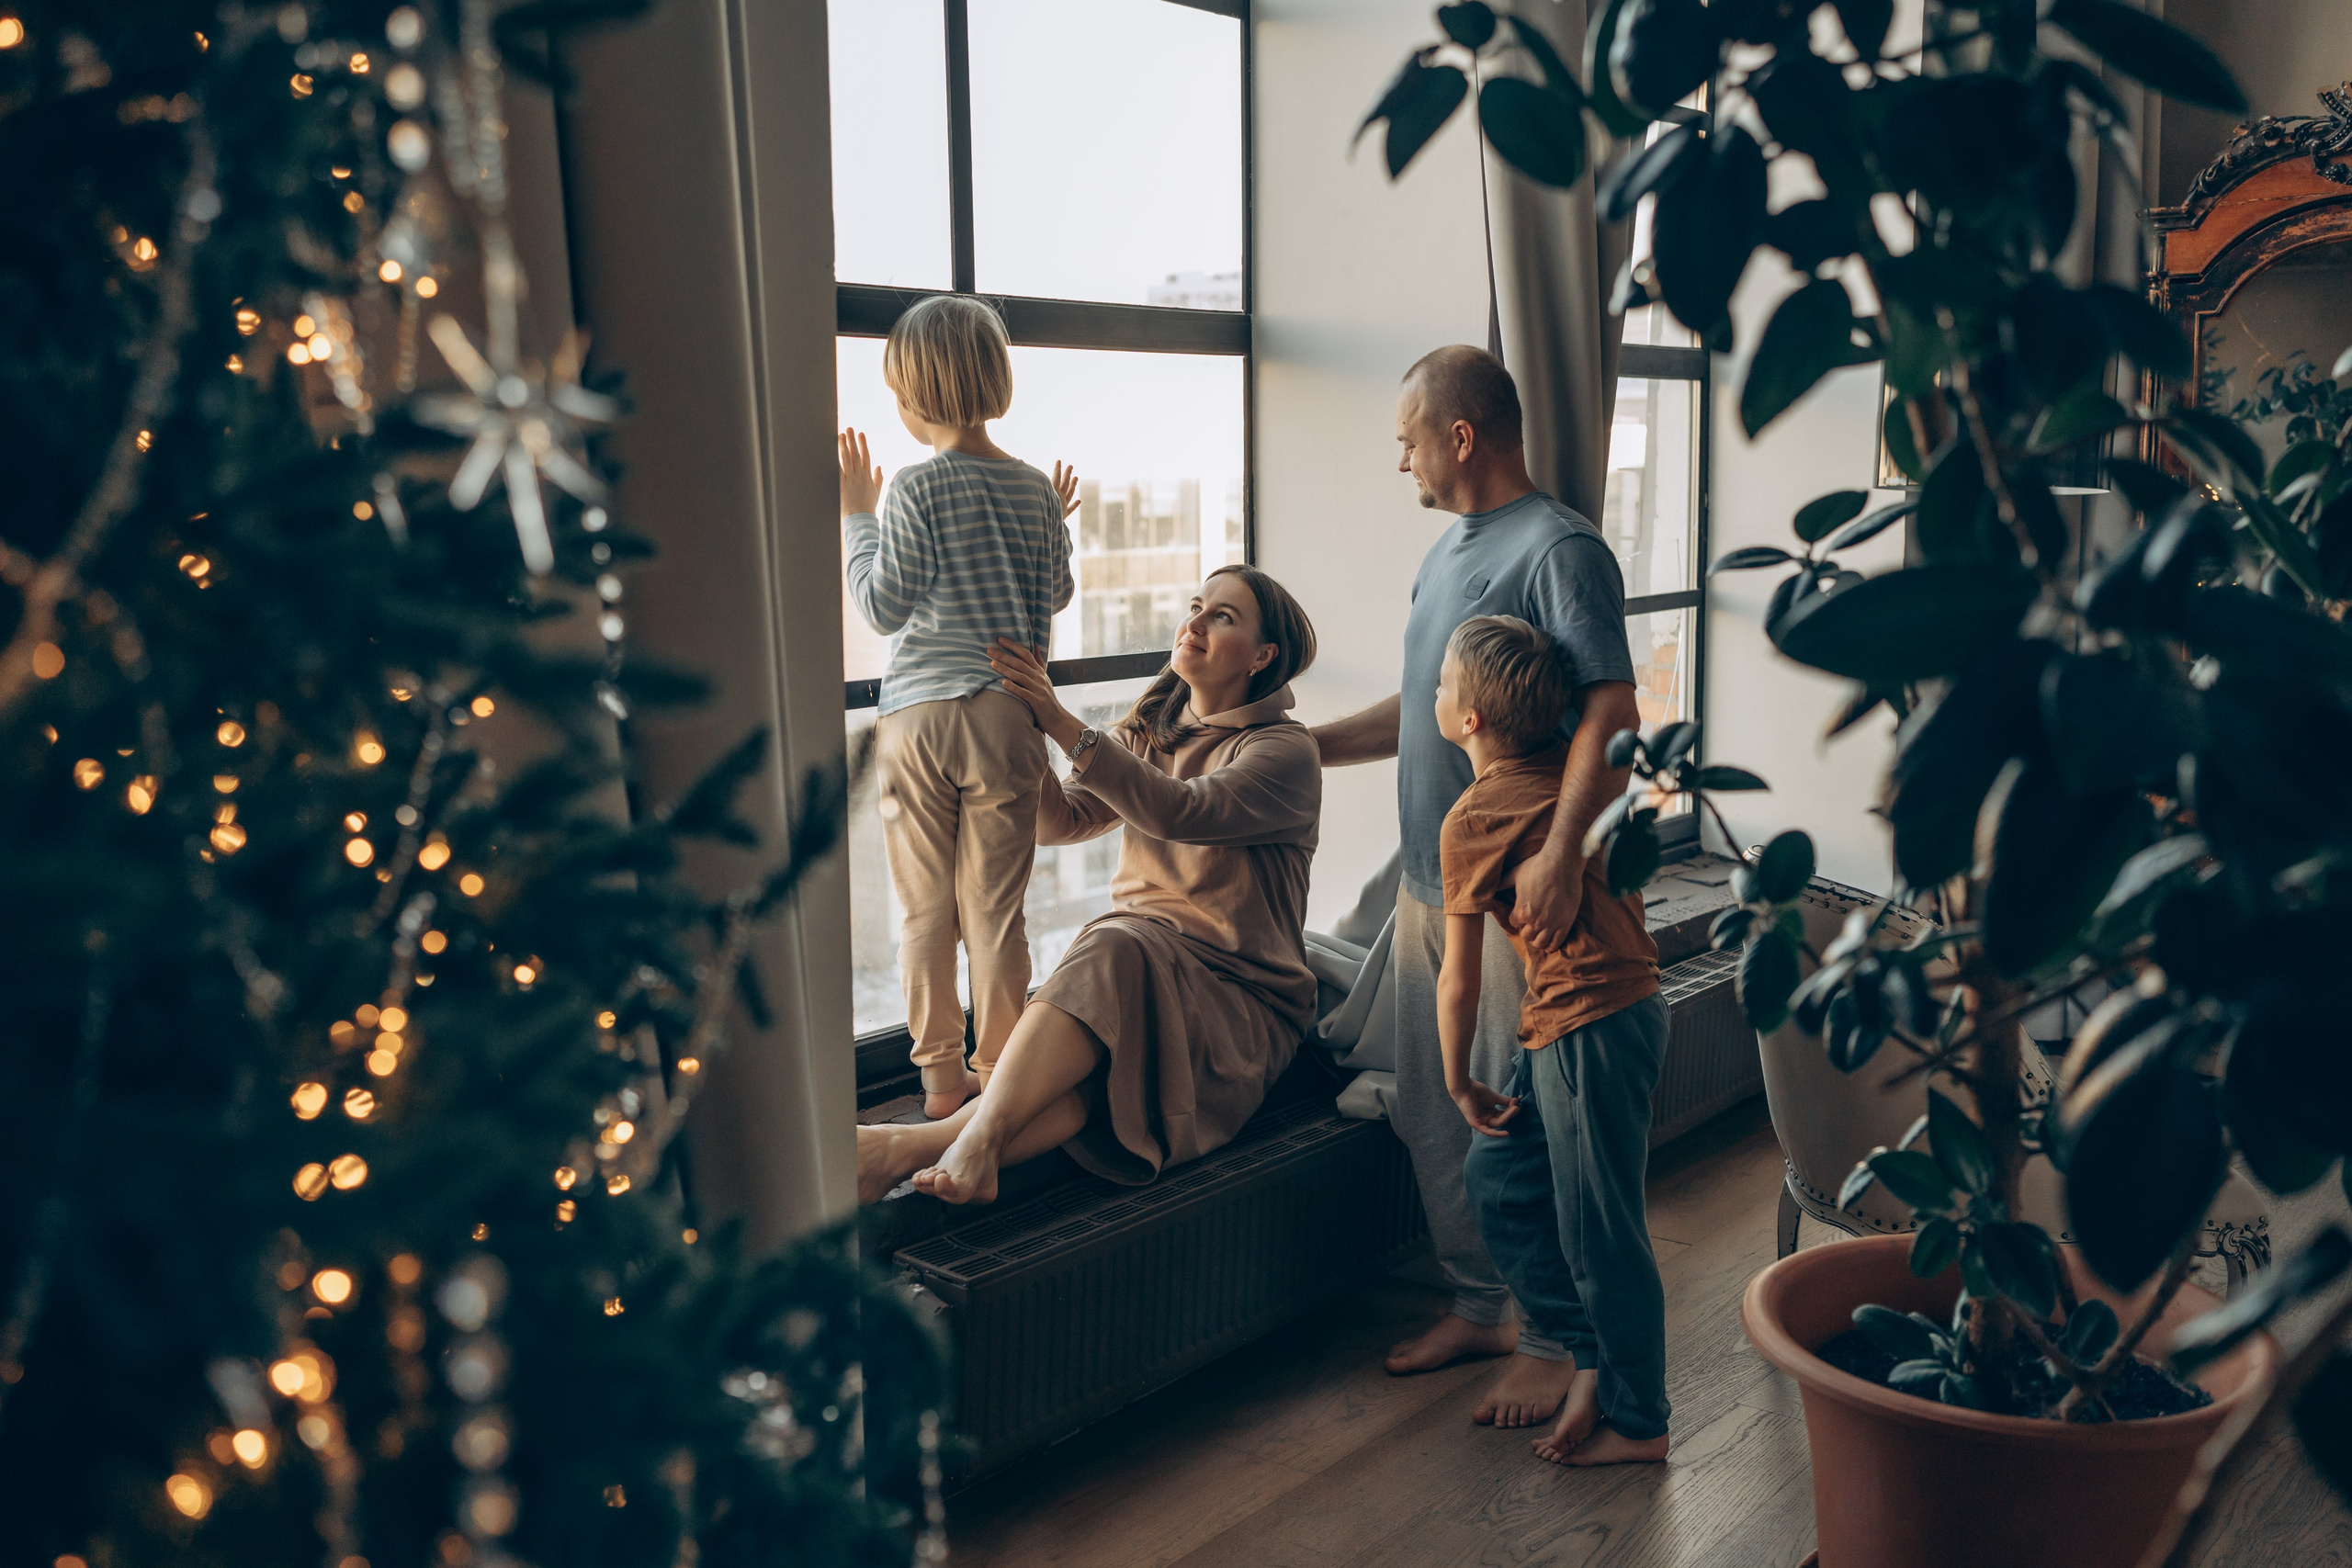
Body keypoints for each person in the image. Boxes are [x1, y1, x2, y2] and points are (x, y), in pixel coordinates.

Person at [1311, 345, 1645, 1430]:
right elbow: (1423, 712)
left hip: (1515, 898)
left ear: (1459, 436)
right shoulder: (1445, 552)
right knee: (1435, 1112)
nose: (1396, 458)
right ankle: (1482, 1305)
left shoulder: (1559, 549)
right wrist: (1300, 744)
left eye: (1406, 437)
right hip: (1428, 878)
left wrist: (1556, 855)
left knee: (1519, 1127)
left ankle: (1557, 1341)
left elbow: (1612, 716)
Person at [855, 566, 1322, 1207]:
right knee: (1083, 1086)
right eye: (1196, 605)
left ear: (1263, 656)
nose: (1195, 621)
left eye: (1224, 616)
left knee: (1113, 941)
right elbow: (1061, 821)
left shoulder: (1283, 752)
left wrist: (1056, 715)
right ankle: (898, 1152)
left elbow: (1181, 811)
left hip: (1237, 1000)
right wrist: (1022, 728)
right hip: (1147, 974)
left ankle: (968, 1139)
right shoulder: (1151, 731)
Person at [1434, 615, 1668, 1467]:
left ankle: (1641, 1421)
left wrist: (1458, 1079)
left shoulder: (1474, 817)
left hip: (1590, 1022)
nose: (1435, 690)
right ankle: (1588, 1353)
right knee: (1497, 1175)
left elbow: (1458, 977)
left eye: (1443, 683)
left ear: (1470, 721)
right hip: (1587, 1017)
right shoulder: (1575, 769)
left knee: (1601, 1231)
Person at [839, 293, 1080, 1120]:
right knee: (996, 914)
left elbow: (883, 607)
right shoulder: (1035, 492)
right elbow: (1055, 595)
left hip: (919, 719)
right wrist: (1054, 523)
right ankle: (1002, 1083)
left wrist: (857, 521)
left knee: (925, 911)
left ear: (914, 395)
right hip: (1007, 716)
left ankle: (942, 1088)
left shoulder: (912, 486)